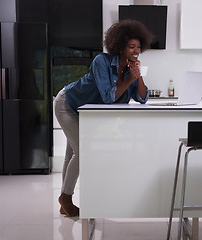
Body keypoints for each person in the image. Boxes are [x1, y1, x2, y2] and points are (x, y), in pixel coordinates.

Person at [54, 19, 153, 217]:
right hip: (68, 104)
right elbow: (109, 97)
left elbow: (142, 98)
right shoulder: (102, 61)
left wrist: (138, 75)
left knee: (72, 155)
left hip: (85, 110)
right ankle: (66, 197)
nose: (135, 50)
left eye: (138, 47)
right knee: (82, 152)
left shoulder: (130, 68)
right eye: (131, 46)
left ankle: (64, 201)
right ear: (120, 46)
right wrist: (130, 78)